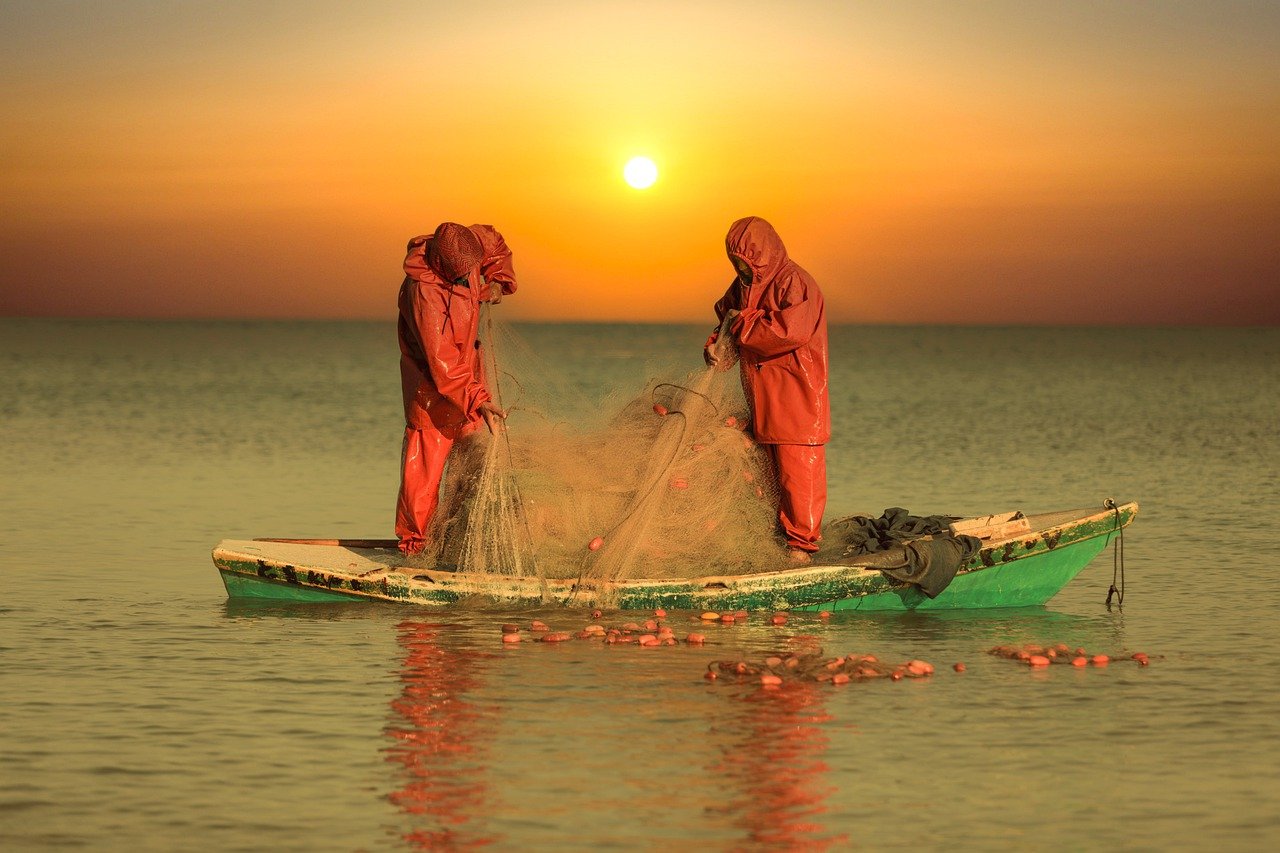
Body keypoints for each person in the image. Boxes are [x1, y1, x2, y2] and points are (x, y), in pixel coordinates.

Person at [703, 216, 829, 563]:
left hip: (796, 395)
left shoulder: (794, 282)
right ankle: (780, 538)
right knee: (771, 474)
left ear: (762, 254)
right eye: (735, 261)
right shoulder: (744, 285)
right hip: (762, 395)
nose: (740, 267)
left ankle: (801, 545)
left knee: (798, 469)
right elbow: (727, 319)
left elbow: (788, 331)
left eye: (744, 260)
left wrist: (740, 326)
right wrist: (716, 345)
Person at [395, 222, 518, 557]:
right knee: (423, 479)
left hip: (469, 387)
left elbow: (497, 246)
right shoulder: (425, 293)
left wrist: (497, 283)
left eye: (472, 273)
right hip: (431, 393)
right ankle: (415, 549)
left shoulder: (467, 245)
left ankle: (453, 542)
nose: (469, 279)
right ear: (443, 268)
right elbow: (441, 361)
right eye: (462, 277)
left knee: (470, 468)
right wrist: (479, 399)